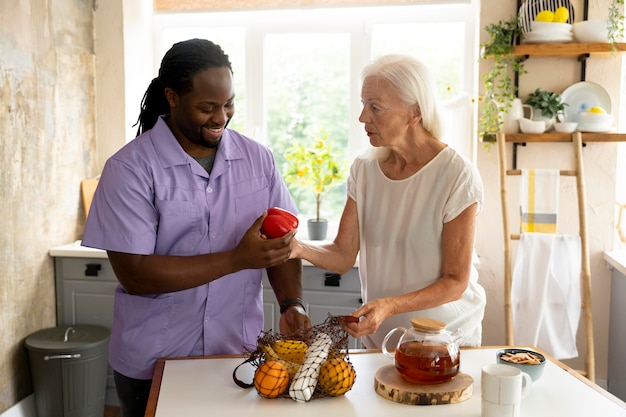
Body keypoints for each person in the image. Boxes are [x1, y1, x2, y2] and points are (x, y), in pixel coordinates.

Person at [82, 38, 311, 417]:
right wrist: (238, 259)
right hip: (154, 360)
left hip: (237, 352)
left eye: (228, 104)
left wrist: (291, 302)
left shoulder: (258, 159)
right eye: (207, 107)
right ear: (172, 97)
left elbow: (279, 244)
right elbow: (136, 273)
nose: (221, 117)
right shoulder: (130, 169)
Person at [289, 54, 485, 348]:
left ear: (414, 113)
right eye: (363, 104)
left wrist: (389, 306)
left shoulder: (456, 173)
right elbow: (343, 255)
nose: (362, 117)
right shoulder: (364, 170)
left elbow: (455, 281)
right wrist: (297, 248)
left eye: (375, 107)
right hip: (382, 344)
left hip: (443, 343)